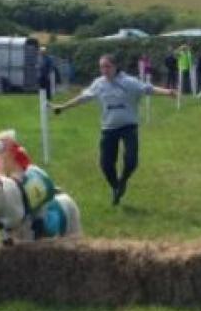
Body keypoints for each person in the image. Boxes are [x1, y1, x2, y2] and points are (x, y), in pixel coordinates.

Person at [52, 54, 177, 205]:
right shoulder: (98, 84)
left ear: (115, 66)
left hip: (128, 127)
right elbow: (82, 98)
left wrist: (167, 92)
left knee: (131, 161)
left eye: (107, 66)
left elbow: (147, 89)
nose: (104, 70)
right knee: (105, 165)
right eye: (101, 67)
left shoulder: (129, 82)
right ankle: (116, 187)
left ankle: (123, 181)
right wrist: (63, 107)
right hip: (109, 128)